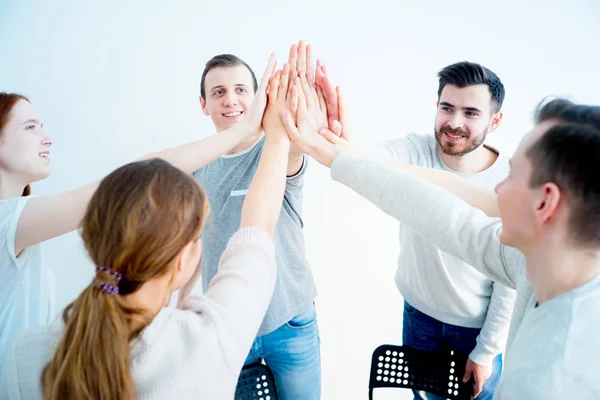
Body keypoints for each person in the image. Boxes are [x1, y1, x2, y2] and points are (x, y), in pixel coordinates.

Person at [283, 83, 600, 398]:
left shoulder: (549, 381)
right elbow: (447, 216)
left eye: (513, 175)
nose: (498, 189)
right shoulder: (543, 258)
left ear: (545, 203)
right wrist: (344, 155)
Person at [0, 63, 297, 399]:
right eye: (29, 127)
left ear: (95, 238)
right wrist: (278, 130)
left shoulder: (25, 354)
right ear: (186, 257)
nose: (47, 137)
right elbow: (256, 229)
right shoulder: (204, 342)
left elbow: (131, 178)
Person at [187, 41, 328, 399]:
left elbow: (295, 149)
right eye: (218, 92)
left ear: (257, 96)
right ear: (204, 105)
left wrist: (296, 112)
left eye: (240, 90)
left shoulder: (277, 151)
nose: (230, 100)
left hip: (291, 322)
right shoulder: (196, 168)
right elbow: (194, 245)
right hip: (229, 325)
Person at [372, 61, 515, 399]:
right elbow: (366, 158)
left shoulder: (510, 181)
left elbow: (510, 279)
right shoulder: (415, 150)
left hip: (476, 329)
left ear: (495, 121)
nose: (454, 123)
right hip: (419, 316)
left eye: (470, 112)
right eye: (447, 108)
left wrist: (486, 351)